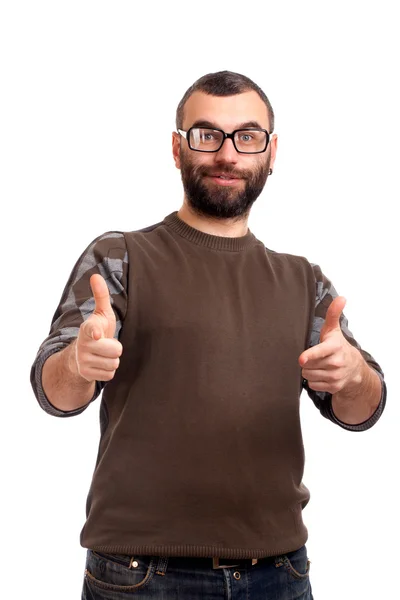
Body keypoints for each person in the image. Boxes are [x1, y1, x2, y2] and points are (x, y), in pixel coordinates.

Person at [31, 70, 386, 600]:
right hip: (140, 575)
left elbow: (361, 412)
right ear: (178, 149)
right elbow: (54, 393)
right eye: (206, 135)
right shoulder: (119, 256)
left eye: (247, 137)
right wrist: (79, 364)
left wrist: (354, 374)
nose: (227, 154)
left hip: (280, 573)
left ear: (270, 153)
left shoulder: (304, 279)